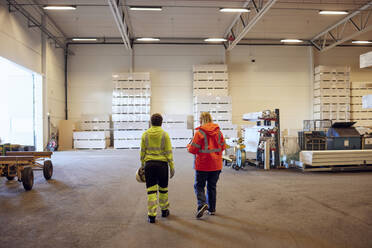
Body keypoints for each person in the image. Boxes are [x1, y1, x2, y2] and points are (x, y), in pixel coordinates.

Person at [187, 112, 226, 218]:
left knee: (199, 186)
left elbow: (192, 150)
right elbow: (223, 147)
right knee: (212, 187)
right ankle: (212, 209)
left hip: (203, 165)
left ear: (201, 120)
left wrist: (188, 145)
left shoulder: (199, 133)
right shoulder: (218, 132)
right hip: (216, 165)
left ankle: (202, 204)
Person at [140, 113, 175, 223]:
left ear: (151, 122)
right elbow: (169, 152)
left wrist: (142, 165)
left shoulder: (145, 134)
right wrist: (172, 167)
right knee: (163, 189)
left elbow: (142, 152)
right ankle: (164, 210)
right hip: (162, 166)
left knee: (151, 191)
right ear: (161, 122)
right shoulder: (165, 135)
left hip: (149, 165)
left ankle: (151, 216)